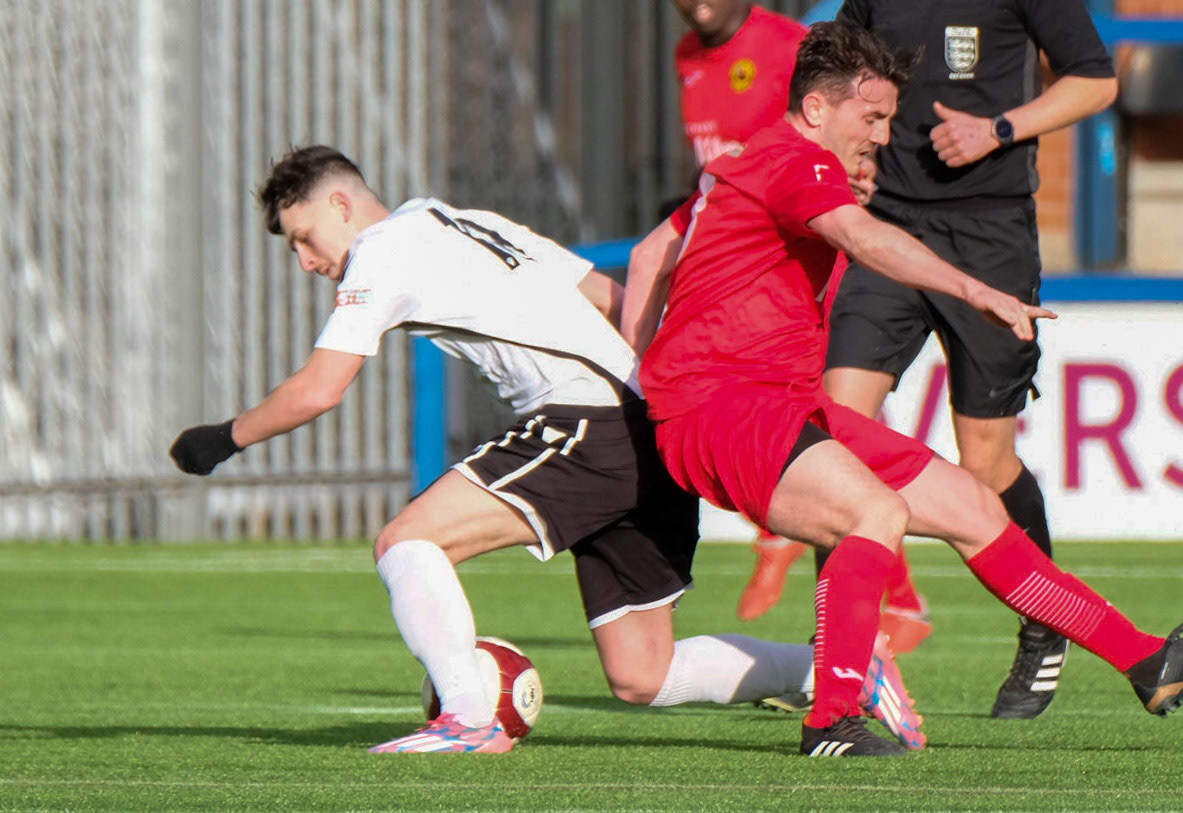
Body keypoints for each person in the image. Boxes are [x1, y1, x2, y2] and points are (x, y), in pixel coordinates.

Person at [623, 22, 1183, 758]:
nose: (885, 137)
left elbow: (647, 254)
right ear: (819, 109)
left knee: (973, 505)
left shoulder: (753, 162)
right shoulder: (797, 161)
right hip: (724, 408)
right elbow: (864, 239)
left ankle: (1146, 660)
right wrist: (972, 289)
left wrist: (636, 379)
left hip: (777, 401)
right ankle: (830, 721)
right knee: (873, 513)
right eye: (874, 117)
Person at [167, 145, 923, 755]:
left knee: (407, 539)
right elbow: (611, 292)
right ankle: (839, 671)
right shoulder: (459, 219)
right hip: (646, 425)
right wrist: (652, 390)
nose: (306, 259)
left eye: (303, 237)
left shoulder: (382, 253)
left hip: (586, 422)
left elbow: (320, 388)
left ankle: (469, 713)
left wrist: (221, 439)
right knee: (643, 672)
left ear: (341, 203)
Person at [824, 0, 1121, 720]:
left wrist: (999, 127)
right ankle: (848, 649)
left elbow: (1095, 78)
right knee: (833, 428)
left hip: (991, 235)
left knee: (985, 464)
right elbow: (843, 77)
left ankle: (1045, 626)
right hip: (895, 230)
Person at [659, 0, 930, 647]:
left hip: (800, 244)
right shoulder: (688, 56)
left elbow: (840, 129)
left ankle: (877, 607)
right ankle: (850, 611)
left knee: (825, 427)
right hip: (745, 247)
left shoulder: (783, 45)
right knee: (801, 431)